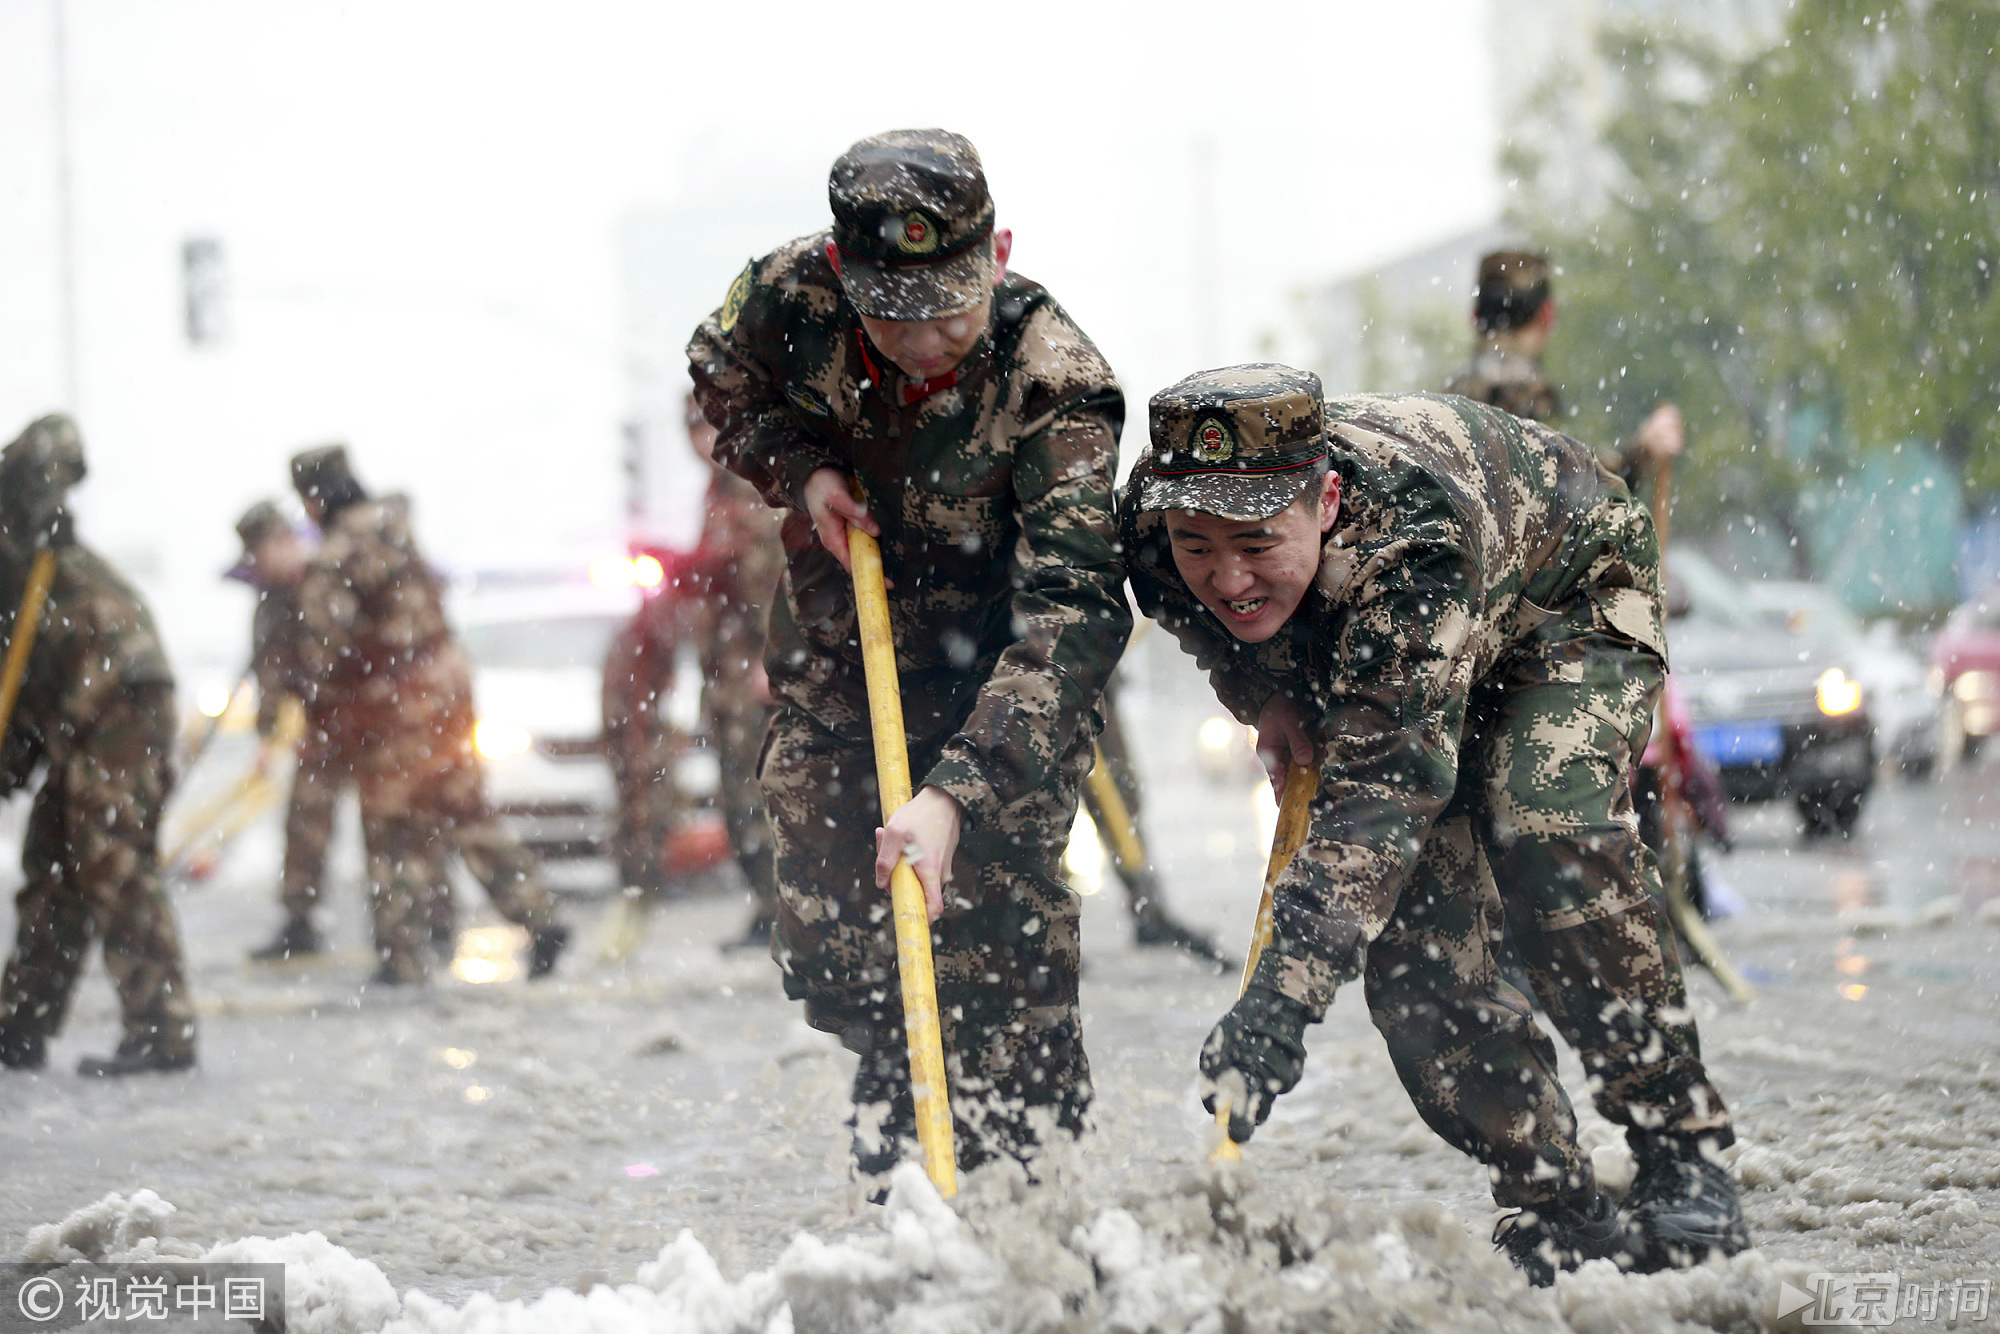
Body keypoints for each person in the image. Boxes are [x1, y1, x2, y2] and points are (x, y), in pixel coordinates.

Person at [1120, 366, 1749, 1282]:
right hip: (1396, 648)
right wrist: (1264, 694)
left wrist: (1279, 1003)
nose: (1227, 573)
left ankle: (1679, 1148)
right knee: (1416, 961)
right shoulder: (1150, 520)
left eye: (1257, 542)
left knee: (1544, 824)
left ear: (1326, 498)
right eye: (1198, 543)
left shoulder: (1411, 543)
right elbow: (1196, 610)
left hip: (1561, 601)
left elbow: (1378, 803)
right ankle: (1554, 1195)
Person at [687, 129, 1130, 1182]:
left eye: (952, 307)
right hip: (846, 657)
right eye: (894, 313)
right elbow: (717, 377)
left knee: (1002, 939)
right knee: (825, 934)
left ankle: (1030, 1183)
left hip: (1002, 683)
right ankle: (899, 1067)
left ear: (1001, 254)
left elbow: (1071, 615)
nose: (926, 341)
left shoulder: (1055, 382)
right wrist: (800, 470)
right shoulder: (788, 295)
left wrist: (955, 790)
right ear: (843, 276)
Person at [289, 445, 568, 984]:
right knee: (465, 809)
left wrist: (325, 705)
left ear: (312, 498)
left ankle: (401, 952)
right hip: (446, 684)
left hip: (393, 702)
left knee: (391, 824)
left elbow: (324, 646)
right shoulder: (395, 528)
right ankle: (539, 913)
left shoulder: (336, 553)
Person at [0, 415, 199, 1075]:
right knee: (52, 862)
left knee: (111, 859)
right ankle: (19, 1024)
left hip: (120, 701)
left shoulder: (29, 539)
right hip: (74, 709)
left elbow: (19, 663)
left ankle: (163, 1031)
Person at [1443, 249, 1684, 498]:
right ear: (1547, 315)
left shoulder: (1450, 393)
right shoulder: (1525, 390)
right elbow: (1574, 499)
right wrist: (1639, 454)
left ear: (1474, 316)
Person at [680, 394, 786, 947]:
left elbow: (768, 582)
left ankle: (782, 911)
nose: (700, 441)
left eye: (708, 428)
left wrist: (773, 658)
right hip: (726, 674)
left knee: (759, 794)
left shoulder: (748, 488)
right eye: (692, 429)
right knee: (737, 794)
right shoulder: (719, 493)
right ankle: (770, 910)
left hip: (752, 674)